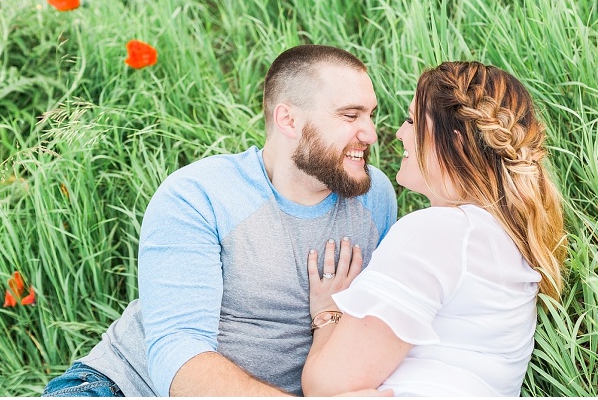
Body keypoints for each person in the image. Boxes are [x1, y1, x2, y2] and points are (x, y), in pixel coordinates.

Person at [42, 44, 398, 397]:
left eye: (370, 115)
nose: (369, 133)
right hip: (127, 388)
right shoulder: (200, 194)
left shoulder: (375, 197)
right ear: (289, 120)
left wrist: (329, 320)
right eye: (351, 116)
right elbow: (178, 354)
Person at [302, 61, 567, 397]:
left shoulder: (438, 232)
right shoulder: (508, 240)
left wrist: (328, 312)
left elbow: (326, 386)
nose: (399, 133)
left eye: (412, 120)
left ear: (453, 143)